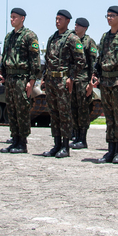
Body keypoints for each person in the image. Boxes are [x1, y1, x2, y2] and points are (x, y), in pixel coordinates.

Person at [92, 6, 118, 164]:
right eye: (107, 16)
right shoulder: (105, 37)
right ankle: (110, 150)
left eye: (112, 16)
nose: (109, 18)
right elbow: (100, 58)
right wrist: (95, 74)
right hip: (106, 82)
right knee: (109, 117)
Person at [40, 11, 85, 158]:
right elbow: (47, 60)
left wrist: (71, 77)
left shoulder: (72, 38)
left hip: (63, 81)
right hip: (51, 81)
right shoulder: (52, 38)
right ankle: (57, 144)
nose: (57, 21)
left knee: (64, 114)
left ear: (68, 21)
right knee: (54, 114)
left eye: (60, 19)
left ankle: (65, 146)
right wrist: (44, 78)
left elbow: (80, 60)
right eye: (56, 19)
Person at [0, 8, 41, 154]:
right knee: (12, 110)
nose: (11, 20)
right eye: (10, 17)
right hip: (9, 78)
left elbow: (35, 60)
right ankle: (14, 139)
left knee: (22, 110)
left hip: (22, 79)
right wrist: (1, 71)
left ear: (22, 18)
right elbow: (5, 56)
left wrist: (32, 81)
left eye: (14, 17)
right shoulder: (9, 37)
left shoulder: (29, 36)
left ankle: (22, 143)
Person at [70, 18, 99, 149]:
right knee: (74, 109)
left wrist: (90, 83)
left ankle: (83, 138)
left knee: (83, 110)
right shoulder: (72, 40)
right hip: (73, 78)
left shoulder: (89, 42)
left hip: (84, 79)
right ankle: (76, 136)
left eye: (78, 25)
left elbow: (93, 64)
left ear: (85, 28)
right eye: (75, 25)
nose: (76, 27)